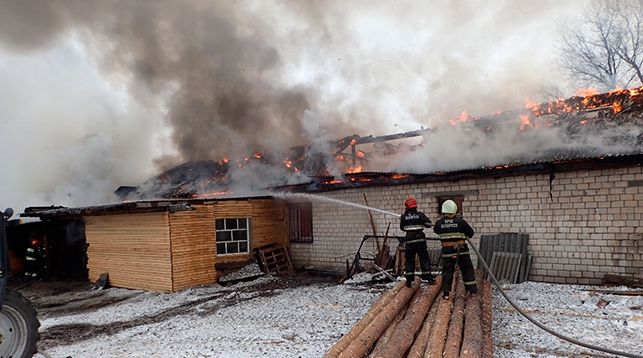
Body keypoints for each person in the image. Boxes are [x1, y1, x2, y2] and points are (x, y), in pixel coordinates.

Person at [433, 199, 478, 299]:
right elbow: (471, 233)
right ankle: (472, 291)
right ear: (455, 210)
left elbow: (436, 230)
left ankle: (446, 293)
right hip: (461, 249)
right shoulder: (461, 222)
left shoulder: (439, 223)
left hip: (447, 251)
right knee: (467, 269)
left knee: (447, 271)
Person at [399, 197, 435, 287]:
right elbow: (429, 224)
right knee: (424, 259)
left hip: (409, 242)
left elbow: (402, 228)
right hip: (420, 241)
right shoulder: (420, 215)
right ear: (415, 206)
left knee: (410, 261)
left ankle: (409, 281)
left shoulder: (403, 217)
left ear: (406, 207)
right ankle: (429, 279)